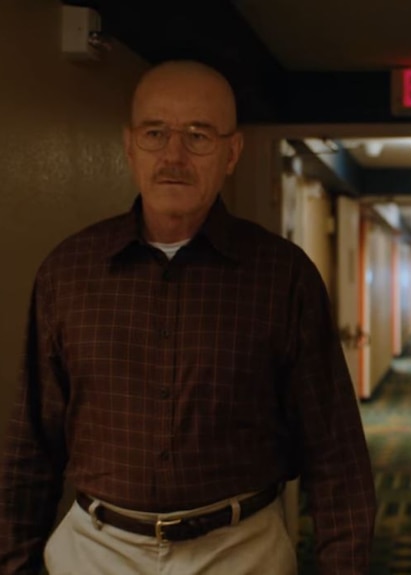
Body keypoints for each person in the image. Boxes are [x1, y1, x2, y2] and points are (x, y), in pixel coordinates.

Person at [0, 60, 376, 574]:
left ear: (232, 153)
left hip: (241, 551)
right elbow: (29, 448)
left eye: (198, 135)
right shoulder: (68, 272)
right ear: (130, 145)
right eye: (156, 133)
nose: (173, 155)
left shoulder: (283, 277)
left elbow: (336, 456)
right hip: (95, 552)